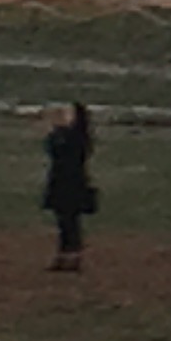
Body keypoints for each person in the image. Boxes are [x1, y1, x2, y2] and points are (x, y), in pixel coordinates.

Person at [40, 102, 99, 272]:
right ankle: (66, 253)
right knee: (64, 220)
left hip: (71, 182)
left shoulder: (75, 138)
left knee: (69, 220)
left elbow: (59, 150)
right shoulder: (67, 136)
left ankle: (72, 255)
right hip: (63, 180)